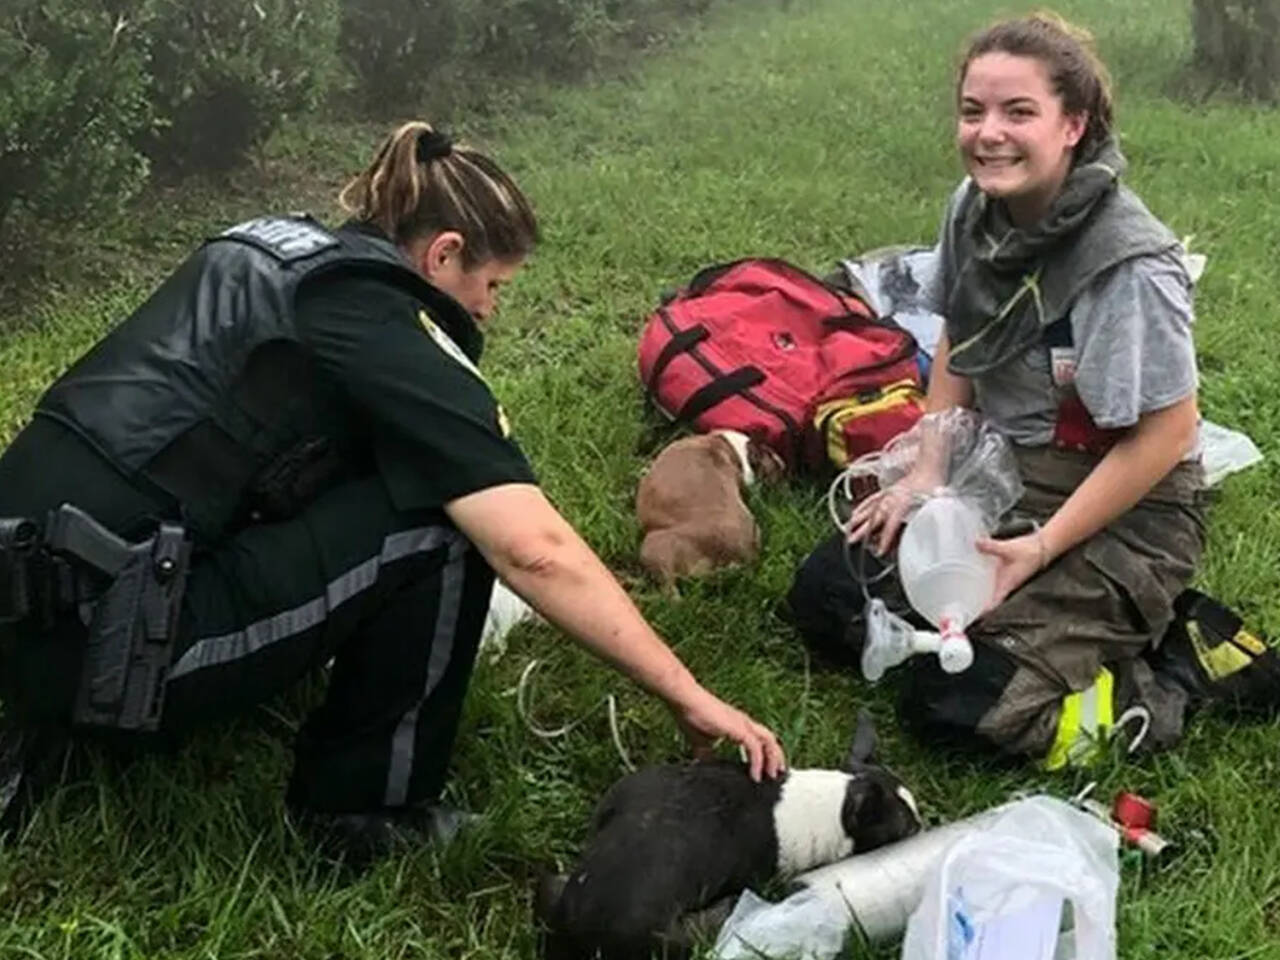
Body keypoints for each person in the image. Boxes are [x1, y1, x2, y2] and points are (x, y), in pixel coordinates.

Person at [0, 121, 784, 863]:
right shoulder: (378, 319)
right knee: (444, 527)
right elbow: (534, 550)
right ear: (443, 255)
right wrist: (685, 693)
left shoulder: (272, 248)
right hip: (107, 649)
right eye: (493, 283)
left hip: (25, 584)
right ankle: (362, 809)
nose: (490, 308)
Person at [797, 12, 1213, 768]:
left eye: (1019, 111)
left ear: (1072, 125)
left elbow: (1167, 432)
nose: (989, 133)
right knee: (826, 592)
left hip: (1126, 510)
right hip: (1008, 474)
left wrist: (1045, 547)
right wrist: (925, 477)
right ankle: (1023, 623)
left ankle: (1165, 675)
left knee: (960, 704)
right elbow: (963, 327)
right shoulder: (976, 210)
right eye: (973, 110)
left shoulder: (1126, 266)